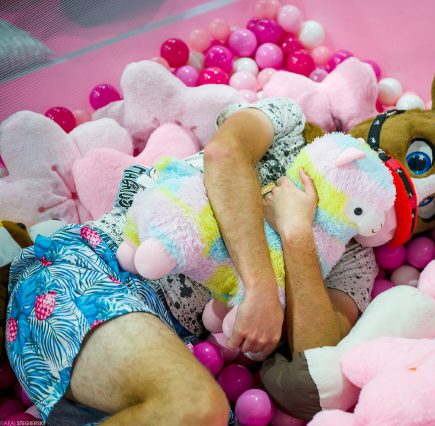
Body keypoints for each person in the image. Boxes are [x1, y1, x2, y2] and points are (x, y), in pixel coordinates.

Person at [5, 97, 378, 424]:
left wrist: (297, 235)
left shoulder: (356, 256)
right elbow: (225, 153)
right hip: (96, 268)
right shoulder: (290, 126)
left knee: (201, 413)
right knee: (196, 408)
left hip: (169, 351)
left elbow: (316, 365)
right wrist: (261, 289)